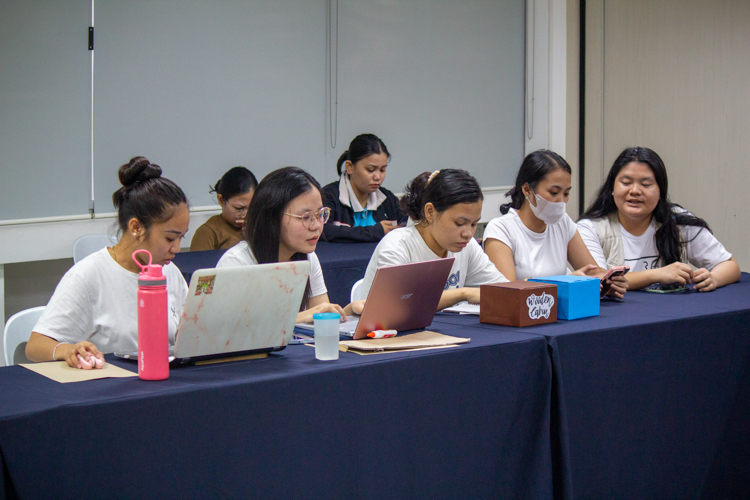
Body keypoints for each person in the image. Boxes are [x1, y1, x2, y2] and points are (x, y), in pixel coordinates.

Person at [26, 157, 190, 368]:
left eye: (181, 238)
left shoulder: (170, 273)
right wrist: (67, 349)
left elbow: (188, 335)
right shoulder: (88, 276)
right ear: (136, 228)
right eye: (169, 238)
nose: (176, 248)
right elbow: (35, 346)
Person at [578, 146, 740, 291]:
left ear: (661, 191)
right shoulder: (591, 228)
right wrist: (657, 275)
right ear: (612, 188)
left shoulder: (678, 221)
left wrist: (713, 278)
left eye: (646, 184)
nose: (635, 191)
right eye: (626, 182)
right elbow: (598, 280)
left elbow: (729, 265)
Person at [216, 166, 360, 323]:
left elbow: (322, 316)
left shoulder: (309, 258)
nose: (317, 225)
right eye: (306, 217)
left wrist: (350, 311)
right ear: (272, 218)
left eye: (321, 214)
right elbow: (232, 333)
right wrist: (298, 318)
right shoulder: (237, 263)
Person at [483, 150, 627, 298]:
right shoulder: (501, 229)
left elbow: (592, 271)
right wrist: (563, 283)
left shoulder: (562, 222)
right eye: (553, 192)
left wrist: (609, 282)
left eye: (566, 194)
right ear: (527, 189)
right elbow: (507, 292)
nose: (561, 201)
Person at [361, 169, 508, 310]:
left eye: (474, 224)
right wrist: (463, 294)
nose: (468, 233)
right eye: (459, 223)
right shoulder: (398, 245)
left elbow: (503, 289)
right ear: (430, 212)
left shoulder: (467, 246)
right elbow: (396, 306)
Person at [321, 134, 404, 242]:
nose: (378, 177)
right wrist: (375, 232)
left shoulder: (387, 199)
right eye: (370, 170)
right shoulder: (328, 196)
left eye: (382, 170)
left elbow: (408, 224)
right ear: (349, 167)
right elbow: (323, 231)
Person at [190, 166, 258, 251]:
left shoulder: (259, 228)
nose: (246, 214)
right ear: (221, 200)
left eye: (251, 207)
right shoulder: (209, 232)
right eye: (239, 208)